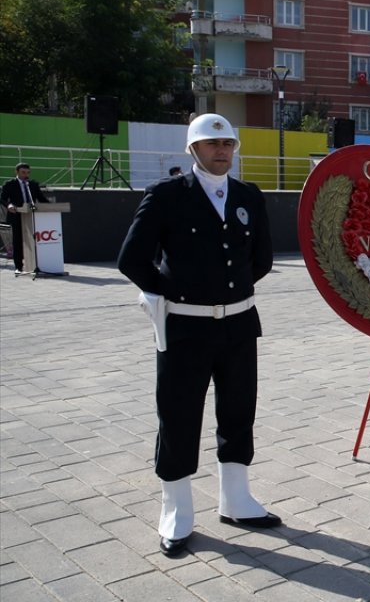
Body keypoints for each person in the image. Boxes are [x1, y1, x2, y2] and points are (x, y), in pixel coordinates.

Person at [116, 114, 278, 558]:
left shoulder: (248, 196)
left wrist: (227, 295)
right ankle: (177, 511)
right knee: (179, 414)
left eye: (227, 143)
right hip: (185, 327)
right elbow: (132, 260)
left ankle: (236, 499)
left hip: (240, 323)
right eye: (211, 144)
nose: (221, 150)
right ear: (192, 150)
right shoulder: (166, 196)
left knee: (239, 408)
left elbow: (260, 259)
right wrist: (175, 295)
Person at [2, 162, 51, 274]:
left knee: (35, 240)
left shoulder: (32, 185)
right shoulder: (9, 184)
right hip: (16, 215)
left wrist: (52, 206)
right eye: (23, 172)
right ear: (17, 172)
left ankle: (35, 265)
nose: (26, 175)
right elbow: (3, 198)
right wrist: (9, 205)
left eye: (28, 172)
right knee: (18, 241)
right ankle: (19, 267)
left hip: (32, 216)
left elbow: (41, 198)